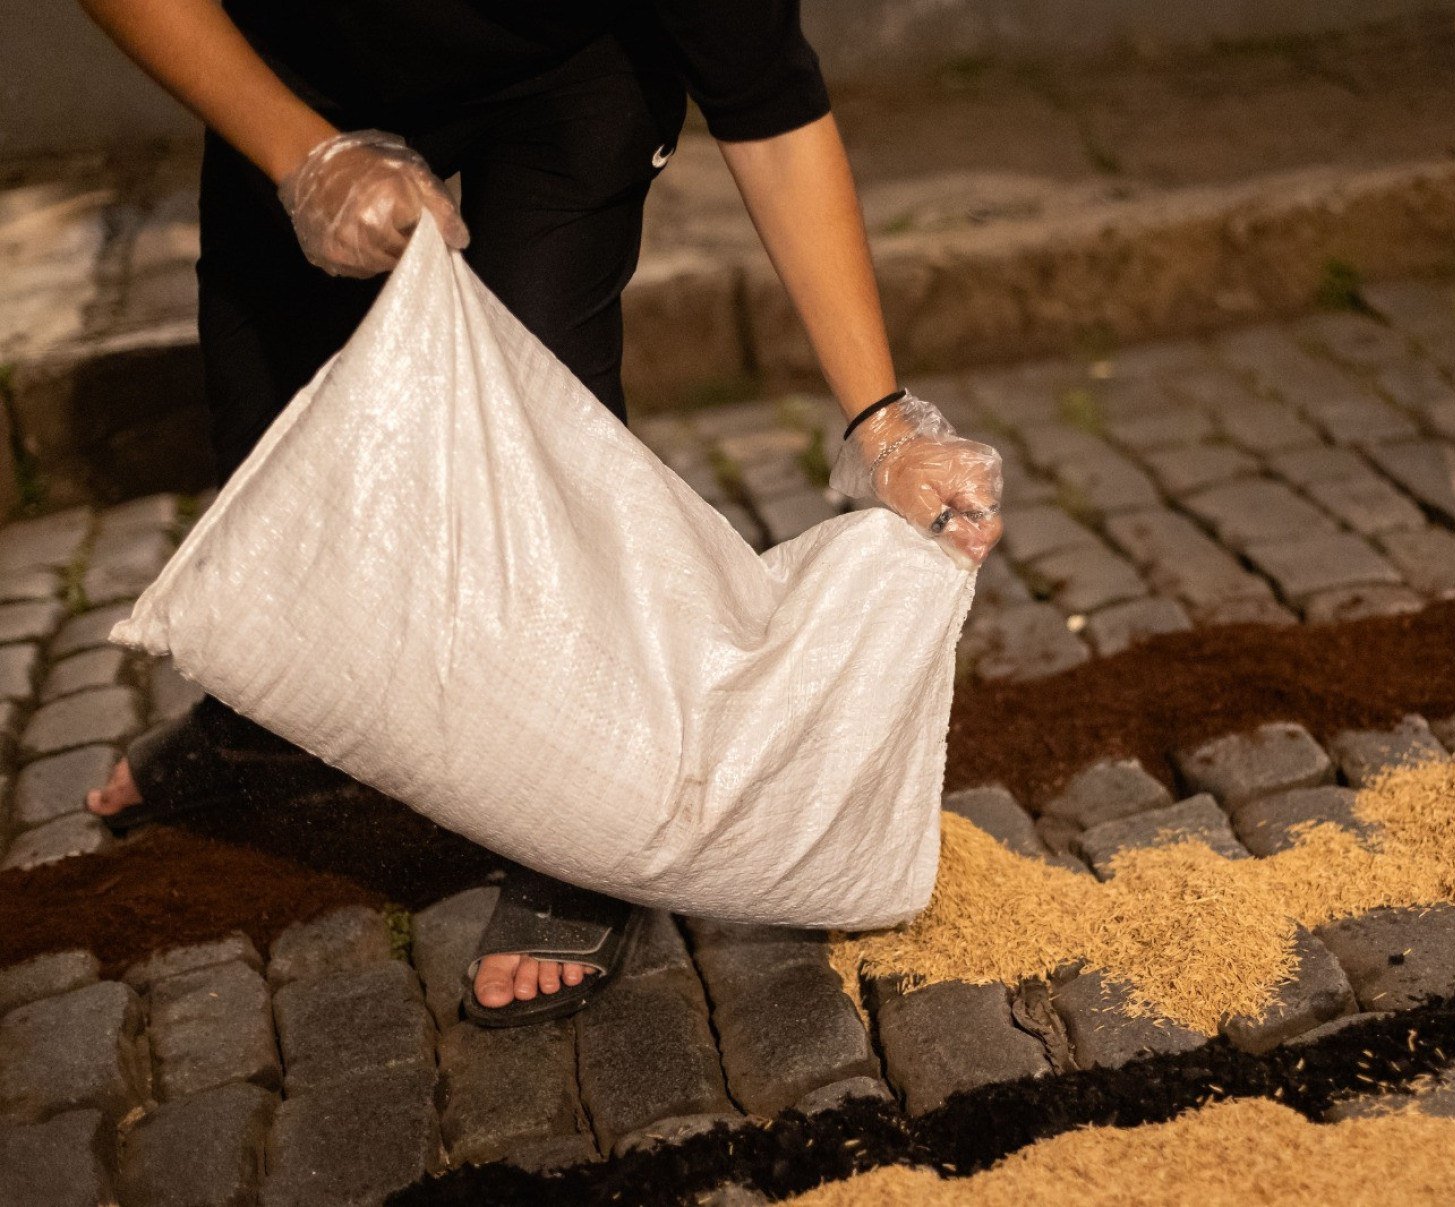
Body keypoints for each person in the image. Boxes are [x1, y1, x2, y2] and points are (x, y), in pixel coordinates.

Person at [78, 0, 1005, 1025]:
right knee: (271, 441)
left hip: (574, 69)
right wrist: (302, 154)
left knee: (552, 424)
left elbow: (775, 120)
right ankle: (268, 731)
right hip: (299, 67)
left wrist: (885, 428)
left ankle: (582, 840)